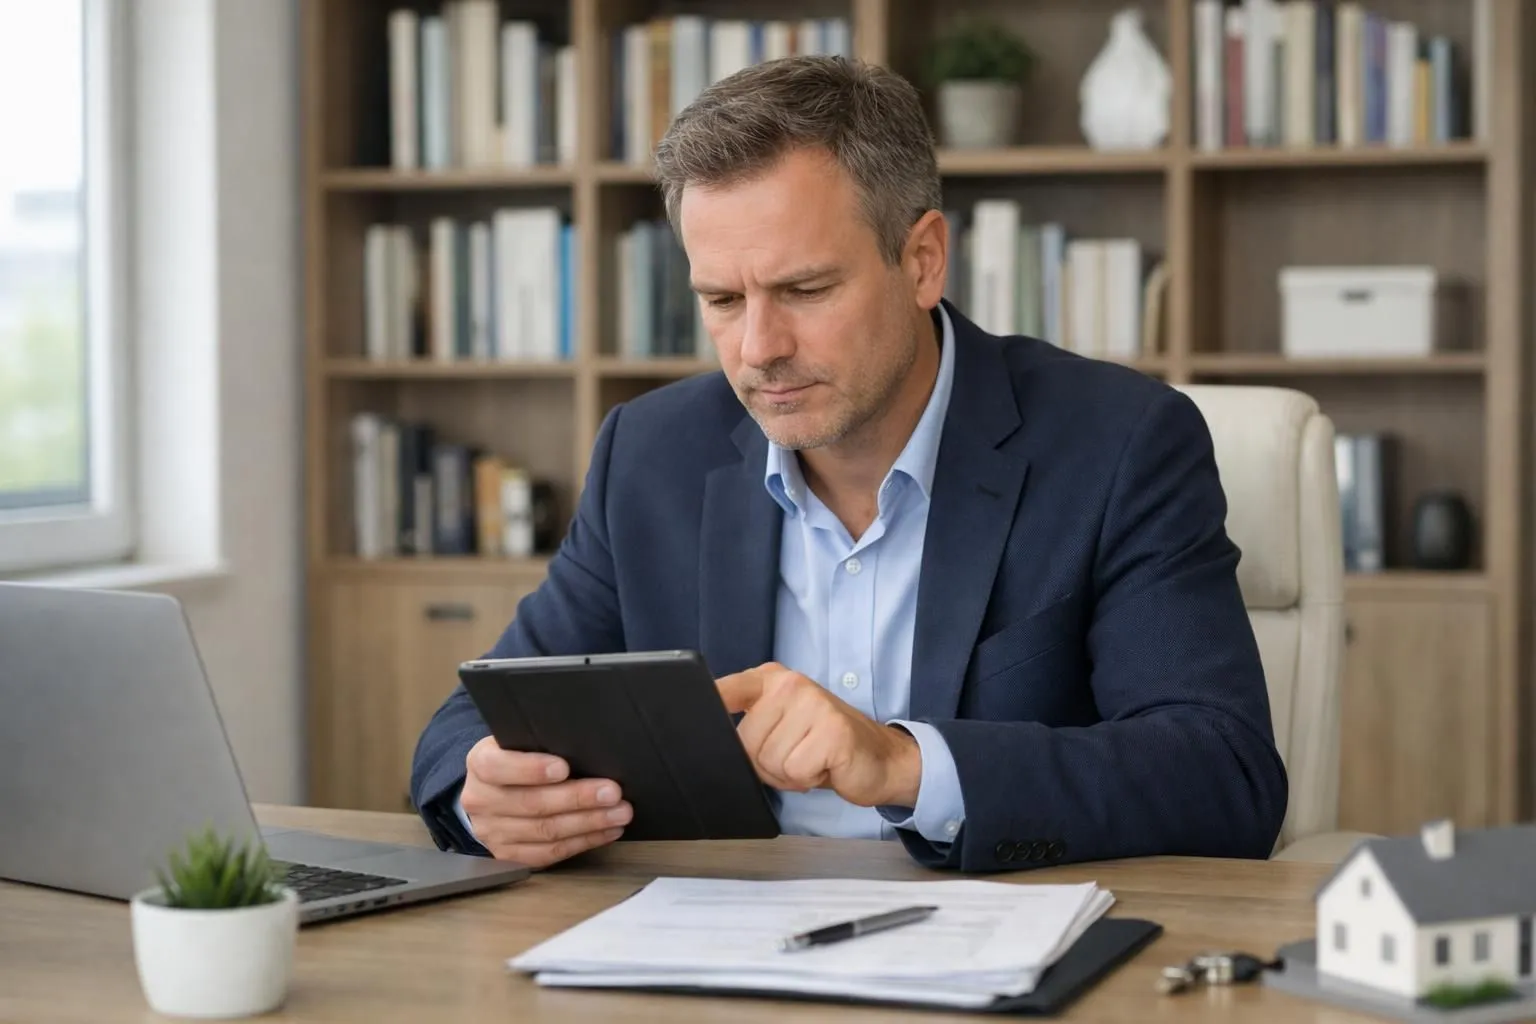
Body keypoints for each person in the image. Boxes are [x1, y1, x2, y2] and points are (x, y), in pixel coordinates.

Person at [410, 55, 1287, 873]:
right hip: (718, 939)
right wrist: (486, 794)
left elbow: (1223, 773)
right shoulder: (649, 455)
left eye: (804, 290)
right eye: (722, 299)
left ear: (922, 261)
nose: (759, 348)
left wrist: (904, 763)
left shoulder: (1120, 442)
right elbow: (471, 723)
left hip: (999, 937)